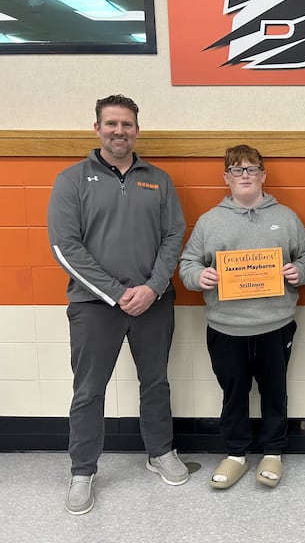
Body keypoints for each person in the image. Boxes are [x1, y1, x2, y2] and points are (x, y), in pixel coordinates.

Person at [47, 94, 188, 516]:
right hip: (94, 305)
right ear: (97, 129)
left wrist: (153, 287)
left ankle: (160, 452)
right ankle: (82, 471)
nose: (119, 131)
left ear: (137, 130)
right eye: (111, 124)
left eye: (126, 124)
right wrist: (115, 291)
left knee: (156, 383)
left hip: (153, 302)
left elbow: (173, 236)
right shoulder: (71, 180)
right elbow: (64, 245)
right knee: (88, 391)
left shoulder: (158, 180)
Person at [179, 145, 305, 489]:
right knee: (234, 391)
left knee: (274, 390)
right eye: (237, 170)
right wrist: (200, 277)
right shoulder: (210, 222)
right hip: (226, 327)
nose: (245, 176)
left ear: (263, 176)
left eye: (251, 169)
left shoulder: (285, 217)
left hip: (275, 324)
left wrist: (300, 270)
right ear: (225, 177)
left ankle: (273, 451)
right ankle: (236, 453)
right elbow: (187, 264)